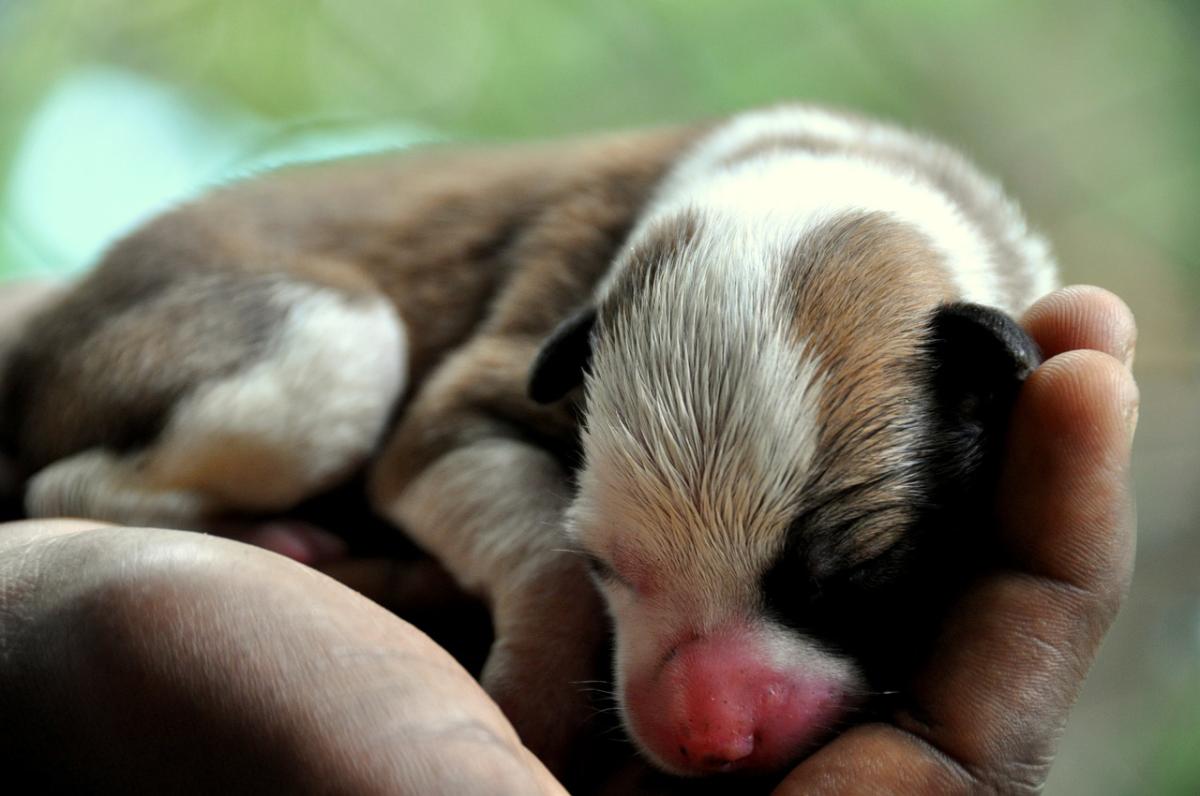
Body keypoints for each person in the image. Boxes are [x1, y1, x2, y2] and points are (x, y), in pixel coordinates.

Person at [0, 284, 1138, 795]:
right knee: (338, 368)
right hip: (180, 342)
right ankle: (118, 486)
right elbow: (433, 438)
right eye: (617, 566)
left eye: (831, 585)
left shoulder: (955, 341)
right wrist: (551, 599)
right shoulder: (631, 285)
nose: (709, 720)